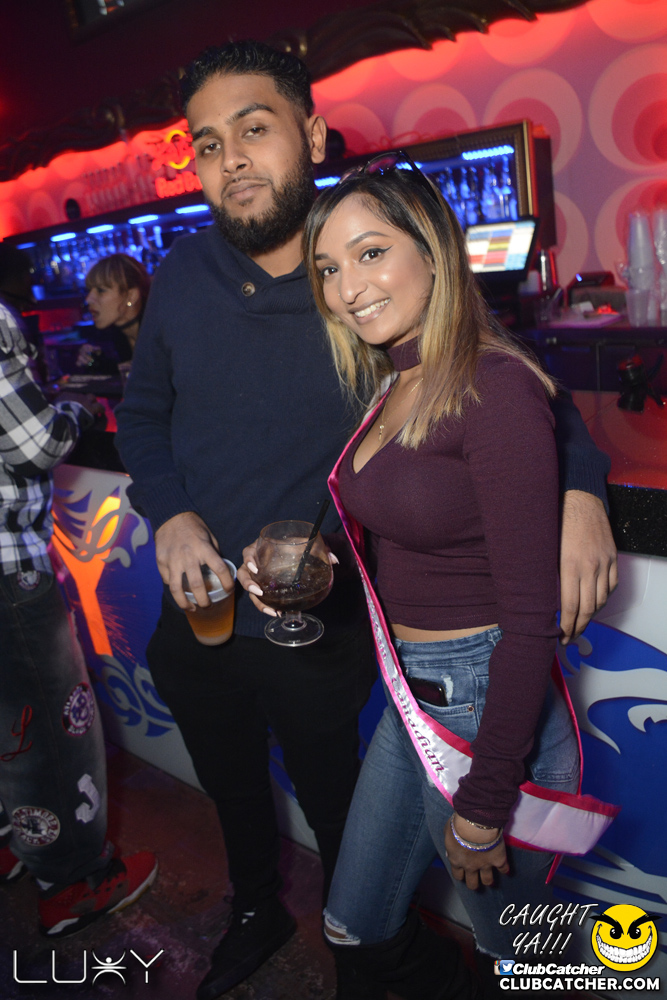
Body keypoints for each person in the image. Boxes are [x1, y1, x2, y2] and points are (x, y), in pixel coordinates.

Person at [115, 41, 616, 1000]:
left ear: (311, 135)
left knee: (363, 833)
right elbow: (142, 417)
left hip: (336, 626)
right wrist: (169, 514)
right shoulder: (183, 273)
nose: (231, 159)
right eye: (207, 143)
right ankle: (259, 910)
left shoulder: (364, 261)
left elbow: (502, 374)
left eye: (254, 128)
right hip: (210, 607)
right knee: (234, 787)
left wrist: (582, 489)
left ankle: (394, 961)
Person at [272, 156, 615, 998]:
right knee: (353, 923)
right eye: (328, 268)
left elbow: (529, 623)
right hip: (412, 704)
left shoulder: (492, 386)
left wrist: (486, 802)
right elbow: (413, 542)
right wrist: (319, 567)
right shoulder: (396, 379)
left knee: (522, 957)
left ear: (432, 250)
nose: (347, 288)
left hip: (482, 708)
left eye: (370, 253)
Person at [0, 246, 158, 938]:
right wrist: (81, 410)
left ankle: (18, 840)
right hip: (9, 568)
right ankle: (73, 881)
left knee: (9, 725)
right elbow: (36, 443)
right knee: (52, 730)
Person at [77, 253, 150, 374]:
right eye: (89, 291)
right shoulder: (116, 336)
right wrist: (94, 361)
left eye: (101, 290)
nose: (88, 299)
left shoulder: (161, 334)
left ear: (131, 296)